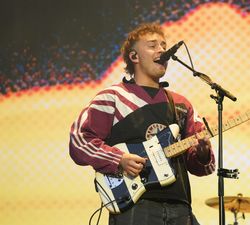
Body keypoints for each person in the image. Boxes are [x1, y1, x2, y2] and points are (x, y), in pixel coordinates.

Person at [69, 23, 215, 225]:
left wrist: (203, 153)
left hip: (180, 207)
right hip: (135, 207)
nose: (162, 50)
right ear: (134, 57)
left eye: (164, 45)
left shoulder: (182, 104)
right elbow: (79, 141)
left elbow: (204, 168)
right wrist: (119, 159)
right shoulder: (112, 97)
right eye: (152, 45)